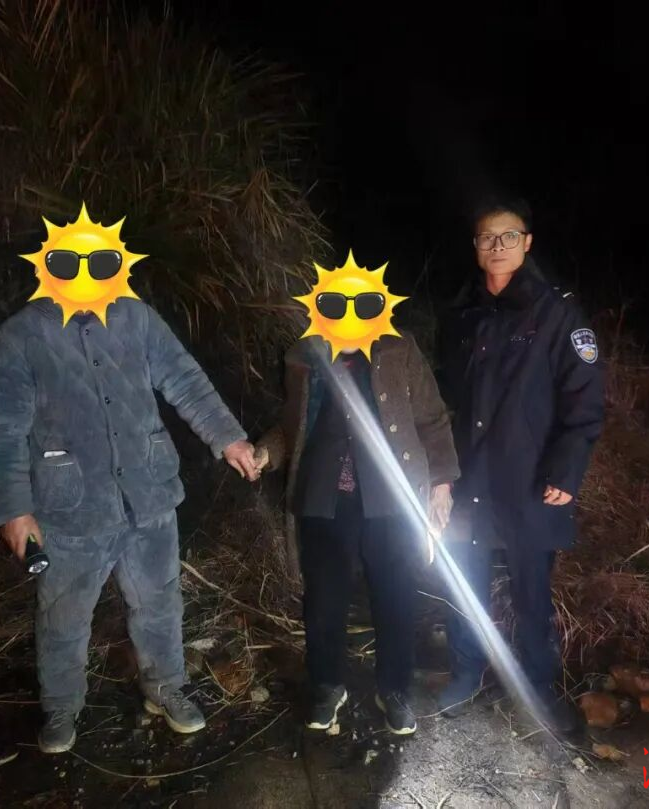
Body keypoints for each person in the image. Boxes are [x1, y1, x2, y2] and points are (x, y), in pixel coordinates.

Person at [0, 295, 259, 754]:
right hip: (73, 509)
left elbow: (183, 377)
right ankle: (62, 706)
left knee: (160, 603)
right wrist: (13, 510)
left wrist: (228, 438)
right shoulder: (19, 337)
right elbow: (2, 429)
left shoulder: (134, 315)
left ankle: (166, 686)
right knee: (63, 616)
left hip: (148, 493)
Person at [436, 197, 605, 731]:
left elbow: (584, 399)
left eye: (509, 236)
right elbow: (440, 399)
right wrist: (438, 470)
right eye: (488, 238)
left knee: (532, 592)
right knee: (463, 583)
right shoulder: (461, 312)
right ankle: (466, 673)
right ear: (476, 246)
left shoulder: (556, 313)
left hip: (529, 479)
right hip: (466, 477)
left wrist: (566, 468)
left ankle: (537, 687)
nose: (498, 246)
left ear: (527, 243)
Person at [255, 334, 459, 735]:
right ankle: (327, 685)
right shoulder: (303, 354)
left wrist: (442, 484)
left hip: (392, 498)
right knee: (323, 599)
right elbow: (292, 426)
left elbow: (432, 419)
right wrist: (266, 452)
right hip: (324, 498)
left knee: (396, 596)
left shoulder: (398, 349)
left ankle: (394, 689)